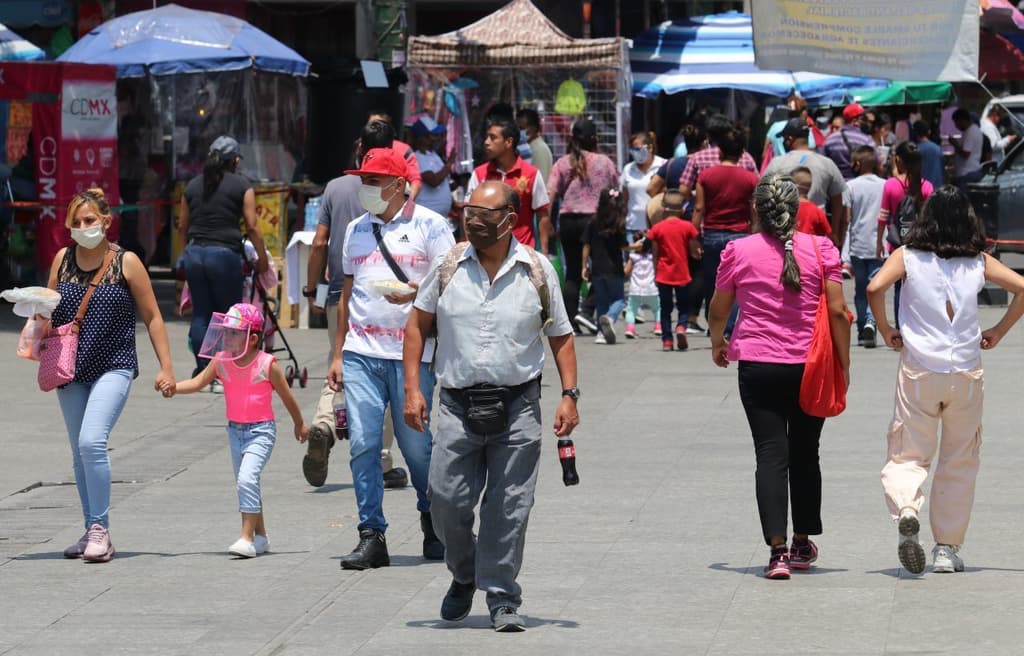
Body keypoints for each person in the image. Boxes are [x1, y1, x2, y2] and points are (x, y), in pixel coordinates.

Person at [402, 181, 579, 632]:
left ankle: (501, 596)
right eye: (469, 211)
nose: (473, 220)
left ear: (511, 218)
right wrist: (413, 390)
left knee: (510, 507)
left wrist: (568, 394)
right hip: (457, 406)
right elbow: (416, 328)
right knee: (444, 499)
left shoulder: (537, 270)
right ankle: (465, 573)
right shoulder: (447, 267)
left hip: (518, 407)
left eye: (485, 213)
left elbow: (560, 335)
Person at [867, 185, 1024, 575]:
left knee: (908, 452)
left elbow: (873, 287)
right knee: (960, 459)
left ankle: (906, 507)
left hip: (920, 368)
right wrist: (999, 331)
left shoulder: (907, 257)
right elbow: (1022, 287)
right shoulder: (979, 261)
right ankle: (945, 549)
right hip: (965, 372)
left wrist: (886, 328)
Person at [709, 173, 851, 580]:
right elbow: (839, 312)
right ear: (799, 210)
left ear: (756, 209)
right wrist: (844, 362)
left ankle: (776, 553)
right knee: (807, 452)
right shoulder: (823, 247)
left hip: (758, 365)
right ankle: (802, 542)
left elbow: (720, 309)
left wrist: (718, 342)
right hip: (812, 364)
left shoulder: (738, 250)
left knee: (771, 454)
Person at [326, 148, 455, 569]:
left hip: (412, 356)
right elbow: (348, 292)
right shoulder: (355, 230)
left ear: (398, 185)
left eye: (373, 181)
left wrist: (416, 292)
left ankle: (432, 520)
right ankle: (371, 534)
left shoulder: (432, 227)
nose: (365, 189)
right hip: (361, 352)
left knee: (416, 447)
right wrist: (337, 352)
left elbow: (453, 286)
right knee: (363, 445)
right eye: (362, 180)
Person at [47, 189, 175, 563]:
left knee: (91, 442)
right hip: (69, 367)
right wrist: (34, 321)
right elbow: (47, 306)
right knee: (78, 452)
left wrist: (166, 367)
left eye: (90, 220)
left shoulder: (126, 262)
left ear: (106, 221)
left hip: (113, 365)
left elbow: (153, 316)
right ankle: (91, 530)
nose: (83, 227)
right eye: (76, 222)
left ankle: (100, 528)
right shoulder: (62, 260)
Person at [301, 120, 408, 490]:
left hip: (338, 294)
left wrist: (311, 286)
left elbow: (318, 242)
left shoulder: (334, 187)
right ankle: (381, 458)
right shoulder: (396, 190)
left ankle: (325, 423)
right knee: (387, 374)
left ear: (359, 146)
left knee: (340, 363)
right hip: (387, 298)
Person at [161, 303, 308, 558]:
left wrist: (299, 423)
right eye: (226, 331)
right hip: (235, 431)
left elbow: (287, 397)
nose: (226, 337)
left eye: (234, 333)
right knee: (247, 482)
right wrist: (174, 388)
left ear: (252, 338)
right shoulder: (221, 361)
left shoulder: (267, 364)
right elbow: (198, 382)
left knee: (246, 480)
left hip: (261, 431)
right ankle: (261, 537)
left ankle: (246, 538)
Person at [178, 136, 268, 382]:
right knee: (229, 316)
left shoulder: (193, 185)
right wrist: (262, 259)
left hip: (195, 253)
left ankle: (202, 370)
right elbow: (252, 226)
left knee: (201, 314)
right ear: (235, 160)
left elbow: (182, 225)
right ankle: (222, 372)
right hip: (224, 255)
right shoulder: (242, 185)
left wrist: (186, 254)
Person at [547, 117, 621, 330]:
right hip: (594, 221)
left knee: (572, 272)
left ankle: (569, 321)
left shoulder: (562, 163)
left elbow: (551, 194)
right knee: (601, 269)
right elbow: (616, 190)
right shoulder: (604, 162)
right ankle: (587, 309)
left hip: (568, 220)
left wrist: (548, 222)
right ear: (594, 139)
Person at [693, 128, 758, 334]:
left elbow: (699, 208)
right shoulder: (750, 179)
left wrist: (693, 237)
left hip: (712, 234)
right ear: (741, 154)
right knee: (737, 285)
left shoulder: (705, 176)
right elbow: (754, 211)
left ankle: (715, 324)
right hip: (740, 236)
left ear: (719, 151)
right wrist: (756, 236)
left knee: (713, 282)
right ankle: (729, 327)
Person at [467, 117, 552, 254]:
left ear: (509, 142)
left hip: (523, 254)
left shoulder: (532, 174)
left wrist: (544, 253)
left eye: (493, 138)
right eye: (486, 137)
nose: (486, 142)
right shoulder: (479, 174)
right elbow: (469, 214)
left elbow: (543, 214)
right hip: (485, 254)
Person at [877, 141, 934, 325]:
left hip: (897, 245)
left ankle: (901, 328)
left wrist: (879, 242)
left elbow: (883, 217)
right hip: (922, 244)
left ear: (899, 160)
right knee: (921, 287)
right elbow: (931, 218)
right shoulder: (927, 186)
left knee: (899, 289)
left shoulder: (891, 185)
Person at [764, 119, 848, 243]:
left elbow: (761, 196)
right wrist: (834, 232)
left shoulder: (777, 163)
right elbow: (838, 200)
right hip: (816, 235)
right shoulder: (827, 163)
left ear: (790, 139)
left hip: (784, 235)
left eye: (784, 139)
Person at [644, 191, 702, 351]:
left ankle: (667, 341)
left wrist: (655, 272)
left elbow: (655, 253)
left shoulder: (657, 228)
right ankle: (681, 328)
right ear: (682, 210)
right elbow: (693, 251)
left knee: (665, 309)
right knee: (684, 306)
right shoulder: (687, 227)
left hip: (663, 274)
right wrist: (697, 254)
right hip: (682, 274)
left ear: (663, 209)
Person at [845, 146, 886, 348]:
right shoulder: (885, 185)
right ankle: (871, 320)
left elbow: (847, 218)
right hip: (879, 243)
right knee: (876, 287)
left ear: (858, 164)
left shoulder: (851, 186)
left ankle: (862, 329)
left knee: (860, 290)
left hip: (857, 244)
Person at [582, 188, 629, 344]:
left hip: (597, 268)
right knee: (619, 300)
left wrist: (584, 266)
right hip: (614, 268)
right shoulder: (619, 223)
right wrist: (637, 247)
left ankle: (601, 334)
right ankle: (610, 317)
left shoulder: (593, 221)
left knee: (601, 301)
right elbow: (623, 246)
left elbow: (586, 245)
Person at [678, 114, 758, 200]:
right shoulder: (746, 157)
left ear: (708, 135)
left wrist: (698, 197)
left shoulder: (697, 158)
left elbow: (683, 191)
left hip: (706, 211)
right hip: (740, 211)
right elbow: (759, 189)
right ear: (729, 133)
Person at [367, 111, 422, 202]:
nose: (374, 129)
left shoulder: (404, 150)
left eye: (379, 125)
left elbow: (415, 180)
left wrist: (408, 205)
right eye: (371, 125)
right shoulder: (361, 146)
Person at [621, 131, 666, 233]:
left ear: (649, 148)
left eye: (638, 149)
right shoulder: (628, 169)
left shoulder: (663, 165)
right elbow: (625, 199)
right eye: (632, 150)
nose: (635, 153)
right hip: (632, 227)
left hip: (657, 226)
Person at [647, 122, 706, 198]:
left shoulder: (672, 163)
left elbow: (650, 189)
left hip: (673, 209)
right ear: (704, 144)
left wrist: (668, 199)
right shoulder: (707, 165)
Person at [411, 117, 454, 219]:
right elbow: (433, 181)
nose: (438, 138)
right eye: (434, 135)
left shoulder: (434, 155)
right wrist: (450, 163)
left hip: (439, 218)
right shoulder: (416, 157)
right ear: (422, 138)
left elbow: (442, 185)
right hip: (425, 218)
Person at [823, 103, 877, 180]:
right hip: (859, 187)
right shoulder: (867, 141)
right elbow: (878, 164)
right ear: (855, 121)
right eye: (863, 118)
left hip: (837, 187)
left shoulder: (830, 140)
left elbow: (823, 164)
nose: (866, 122)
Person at [624, 235, 659, 339]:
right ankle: (658, 326)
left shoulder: (633, 257)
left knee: (631, 310)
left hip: (635, 289)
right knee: (657, 308)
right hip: (651, 288)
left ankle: (630, 329)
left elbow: (626, 271)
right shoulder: (653, 257)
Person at [791, 167, 833, 238]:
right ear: (810, 187)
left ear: (792, 185)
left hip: (789, 247)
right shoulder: (817, 211)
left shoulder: (786, 207)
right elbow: (828, 233)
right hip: (810, 247)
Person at [951, 108, 985, 191]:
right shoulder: (971, 131)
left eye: (956, 123)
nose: (956, 126)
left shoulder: (971, 131)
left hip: (967, 174)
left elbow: (966, 154)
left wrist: (955, 144)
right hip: (969, 173)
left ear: (962, 120)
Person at [516, 108, 553, 183]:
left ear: (534, 128)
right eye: (517, 128)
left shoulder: (539, 149)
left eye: (522, 128)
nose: (519, 132)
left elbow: (540, 182)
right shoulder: (529, 147)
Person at [912, 121, 945, 189]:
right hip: (937, 189)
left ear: (915, 133)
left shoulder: (915, 150)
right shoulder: (938, 149)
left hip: (922, 190)